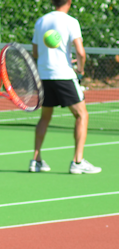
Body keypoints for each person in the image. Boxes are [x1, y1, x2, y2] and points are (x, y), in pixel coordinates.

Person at [30, 0, 101, 174]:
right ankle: (77, 162)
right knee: (82, 115)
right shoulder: (71, 22)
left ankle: (35, 160)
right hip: (64, 76)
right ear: (69, 2)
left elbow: (36, 52)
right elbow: (81, 52)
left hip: (44, 76)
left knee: (45, 117)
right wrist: (80, 70)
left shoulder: (41, 21)